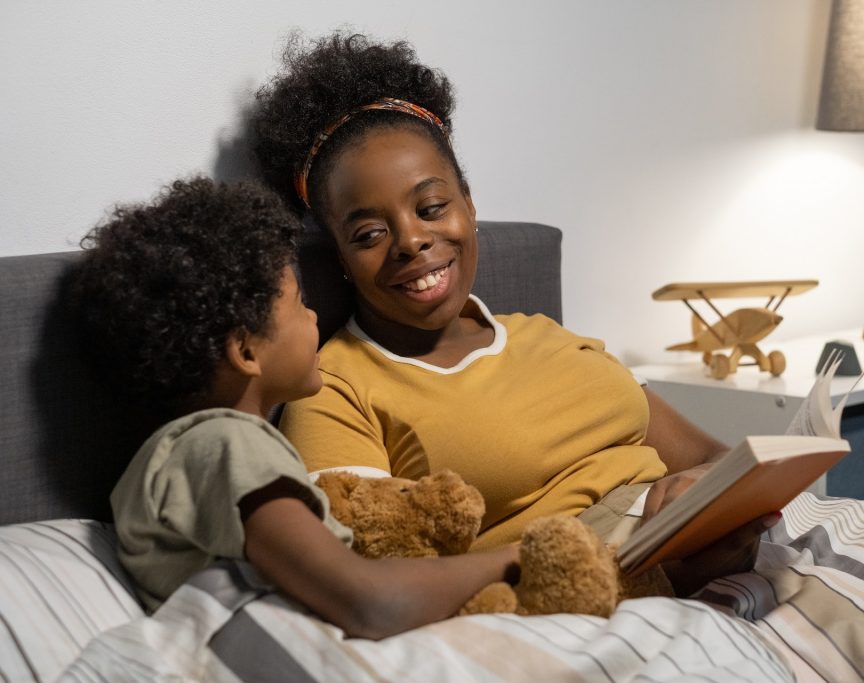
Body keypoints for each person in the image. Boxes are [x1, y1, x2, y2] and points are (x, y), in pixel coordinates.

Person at [249, 31, 778, 595]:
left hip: (719, 559)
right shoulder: (335, 388)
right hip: (588, 593)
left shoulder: (545, 334)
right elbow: (372, 569)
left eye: (432, 207)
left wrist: (710, 496)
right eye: (369, 233)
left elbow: (714, 456)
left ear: (469, 205)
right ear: (340, 257)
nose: (411, 240)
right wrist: (656, 571)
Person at [71, 176, 520, 639]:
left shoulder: (176, 460)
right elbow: (372, 602)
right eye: (300, 302)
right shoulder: (228, 445)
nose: (314, 316)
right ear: (246, 351)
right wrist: (514, 557)